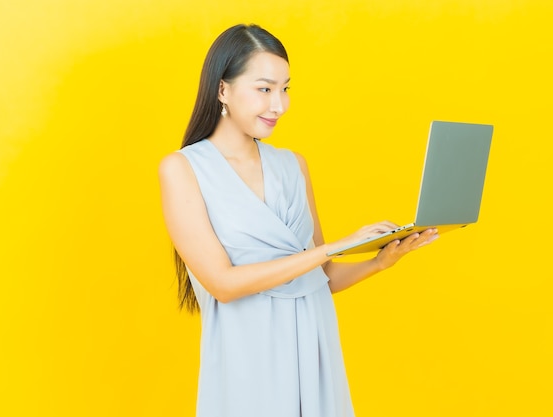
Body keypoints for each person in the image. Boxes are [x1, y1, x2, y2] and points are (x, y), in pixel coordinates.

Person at [158, 23, 439, 417]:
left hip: (314, 345)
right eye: (264, 89)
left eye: (285, 89)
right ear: (223, 90)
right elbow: (222, 284)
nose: (279, 105)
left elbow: (320, 276)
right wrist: (335, 246)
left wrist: (379, 261)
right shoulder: (183, 169)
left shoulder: (293, 166)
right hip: (248, 360)